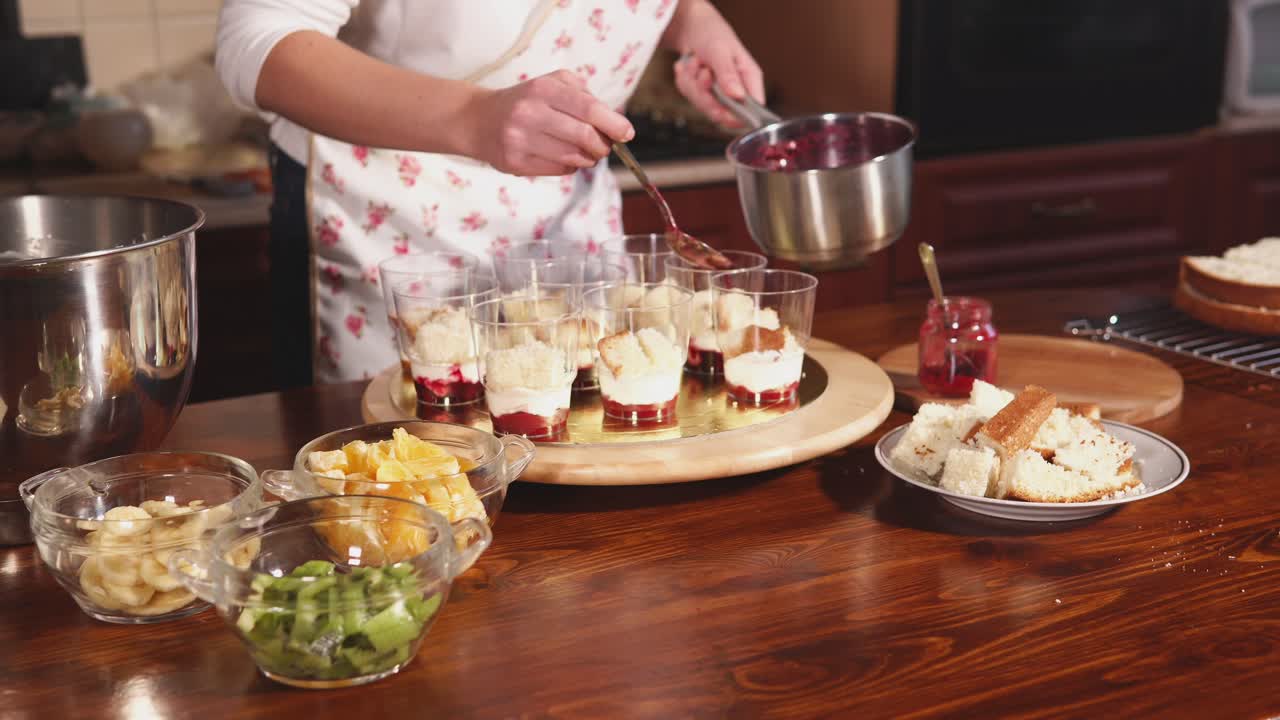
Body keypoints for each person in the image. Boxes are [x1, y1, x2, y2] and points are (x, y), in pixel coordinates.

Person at [215, 0, 764, 387]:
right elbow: (258, 41)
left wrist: (693, 18)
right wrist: (475, 120)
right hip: (387, 225)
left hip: (567, 227)